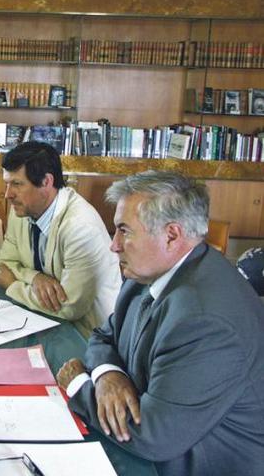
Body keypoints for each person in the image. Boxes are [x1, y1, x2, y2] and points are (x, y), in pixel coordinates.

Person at [57, 171, 264, 476]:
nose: (114, 245)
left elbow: (152, 435)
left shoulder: (205, 321)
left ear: (171, 235)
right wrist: (107, 375)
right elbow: (104, 335)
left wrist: (78, 384)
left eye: (124, 231)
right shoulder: (147, 272)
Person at [0, 141, 121, 336]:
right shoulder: (22, 209)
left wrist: (13, 285)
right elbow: (3, 266)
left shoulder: (81, 227)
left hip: (87, 335)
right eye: (7, 183)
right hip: (40, 320)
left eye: (17, 184)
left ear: (46, 182)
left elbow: (69, 307)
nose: (8, 194)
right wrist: (34, 277)